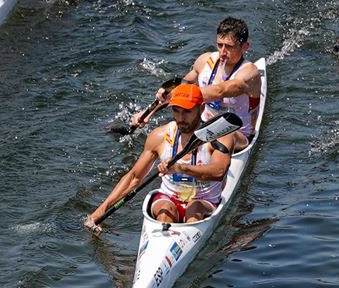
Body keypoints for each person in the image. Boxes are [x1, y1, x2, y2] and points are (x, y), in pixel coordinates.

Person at [86, 84, 233, 232]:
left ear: (201, 109)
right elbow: (134, 178)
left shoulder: (218, 135)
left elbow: (218, 172)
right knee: (165, 213)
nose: (181, 118)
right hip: (168, 198)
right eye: (176, 111)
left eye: (187, 111)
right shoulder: (160, 136)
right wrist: (101, 211)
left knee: (194, 210)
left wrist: (180, 168)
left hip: (204, 201)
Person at [126, 17, 261, 153]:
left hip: (237, 134)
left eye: (229, 47)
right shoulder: (205, 60)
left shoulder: (250, 73)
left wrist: (179, 94)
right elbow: (181, 88)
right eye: (220, 45)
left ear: (244, 47)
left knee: (221, 137)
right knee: (169, 130)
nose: (222, 52)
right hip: (203, 126)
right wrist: (148, 112)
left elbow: (221, 90)